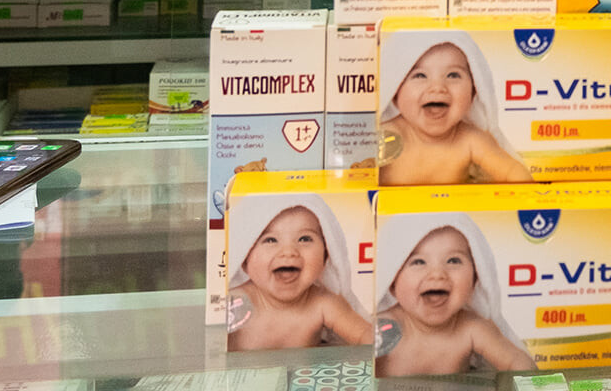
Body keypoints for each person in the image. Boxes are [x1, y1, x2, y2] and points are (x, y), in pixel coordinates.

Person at [374, 220, 536, 376]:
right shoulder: (385, 326)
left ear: (475, 279)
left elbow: (515, 360)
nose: (437, 274)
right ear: (392, 283)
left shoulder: (472, 328)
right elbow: (361, 367)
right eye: (419, 262)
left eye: (453, 261)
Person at [378, 37, 532, 185]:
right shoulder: (386, 136)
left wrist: (528, 194)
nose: (438, 87)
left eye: (453, 75)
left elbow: (511, 171)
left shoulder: (471, 140)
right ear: (395, 94)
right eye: (420, 75)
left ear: (474, 92)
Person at [226, 200, 375, 350]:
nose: (289, 251)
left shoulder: (324, 303)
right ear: (244, 260)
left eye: (304, 239)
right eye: (270, 240)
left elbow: (364, 334)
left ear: (326, 256)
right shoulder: (236, 302)